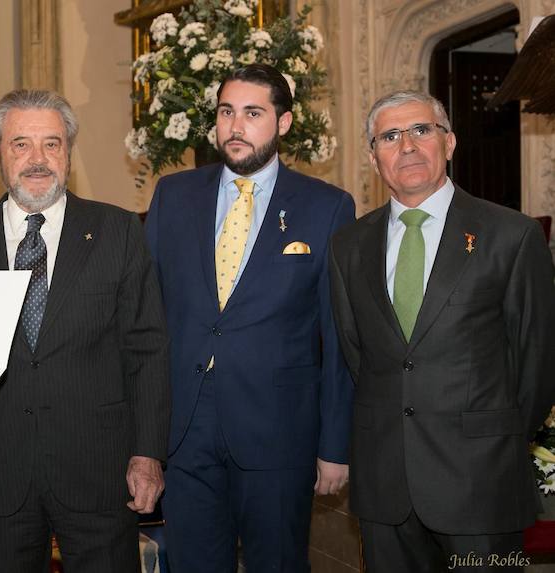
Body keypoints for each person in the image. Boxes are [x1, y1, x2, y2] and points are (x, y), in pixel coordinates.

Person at [0, 89, 171, 572]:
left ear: (69, 153)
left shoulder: (117, 232)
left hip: (99, 471)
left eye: (51, 144)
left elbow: (148, 350)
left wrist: (148, 454)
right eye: (20, 144)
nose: (38, 160)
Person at [329, 90, 555, 572]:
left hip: (481, 481)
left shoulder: (511, 235)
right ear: (374, 157)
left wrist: (493, 440)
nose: (406, 146)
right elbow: (357, 356)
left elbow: (535, 363)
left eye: (421, 130)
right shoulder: (347, 246)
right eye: (389, 136)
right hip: (386, 485)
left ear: (449, 142)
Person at [145, 63, 355, 572]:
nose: (235, 127)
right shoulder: (174, 196)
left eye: (253, 113)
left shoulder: (326, 207)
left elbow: (339, 338)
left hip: (278, 432)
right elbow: (146, 319)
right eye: (226, 112)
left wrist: (335, 446)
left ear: (283, 123)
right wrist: (143, 441)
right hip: (186, 428)